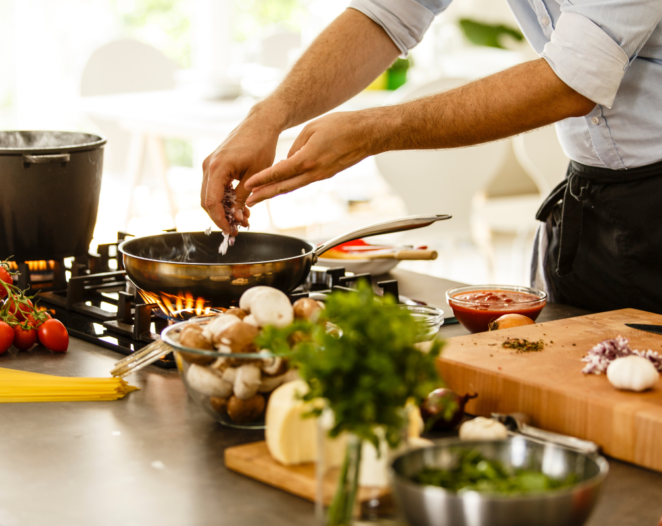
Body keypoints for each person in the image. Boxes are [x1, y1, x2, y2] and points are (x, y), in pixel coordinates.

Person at [201, 0, 662, 313]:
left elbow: (573, 80)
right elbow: (389, 12)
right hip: (587, 204)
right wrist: (269, 114)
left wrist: (374, 131)